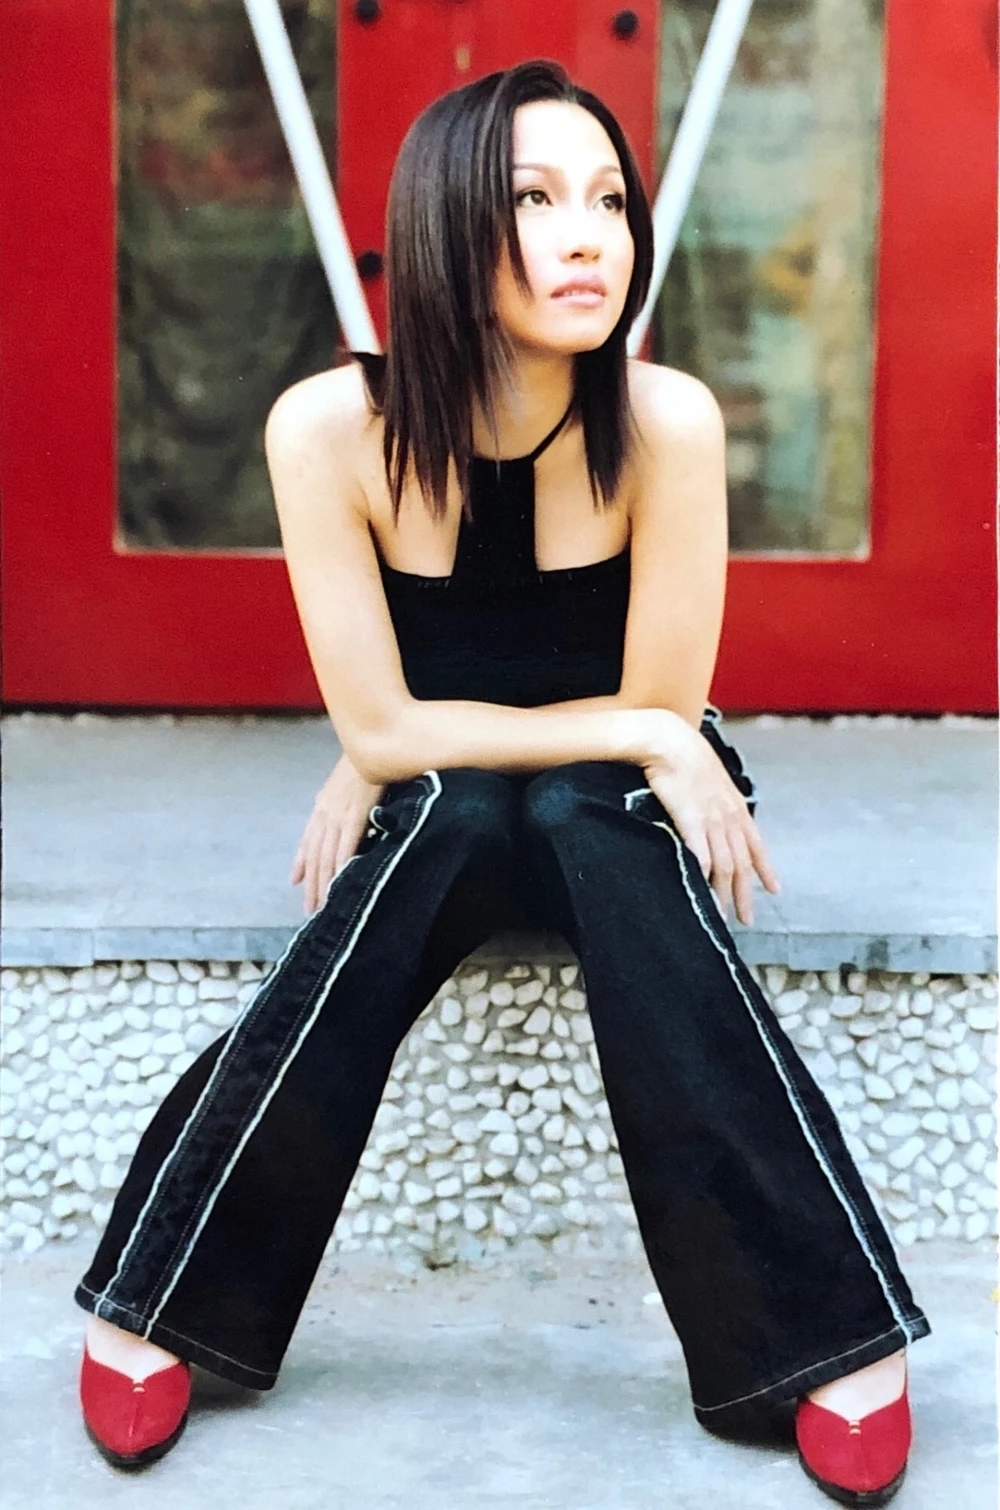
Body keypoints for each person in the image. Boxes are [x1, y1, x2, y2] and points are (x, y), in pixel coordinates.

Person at [74, 59, 930, 1504]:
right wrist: (383, 746)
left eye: (608, 200)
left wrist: (446, 738)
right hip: (450, 793)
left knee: (585, 813)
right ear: (443, 226)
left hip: (613, 786)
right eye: (534, 201)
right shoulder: (325, 430)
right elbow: (390, 726)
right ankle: (163, 1286)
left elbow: (652, 713)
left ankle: (823, 1329)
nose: (588, 236)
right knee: (457, 811)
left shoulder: (667, 421)